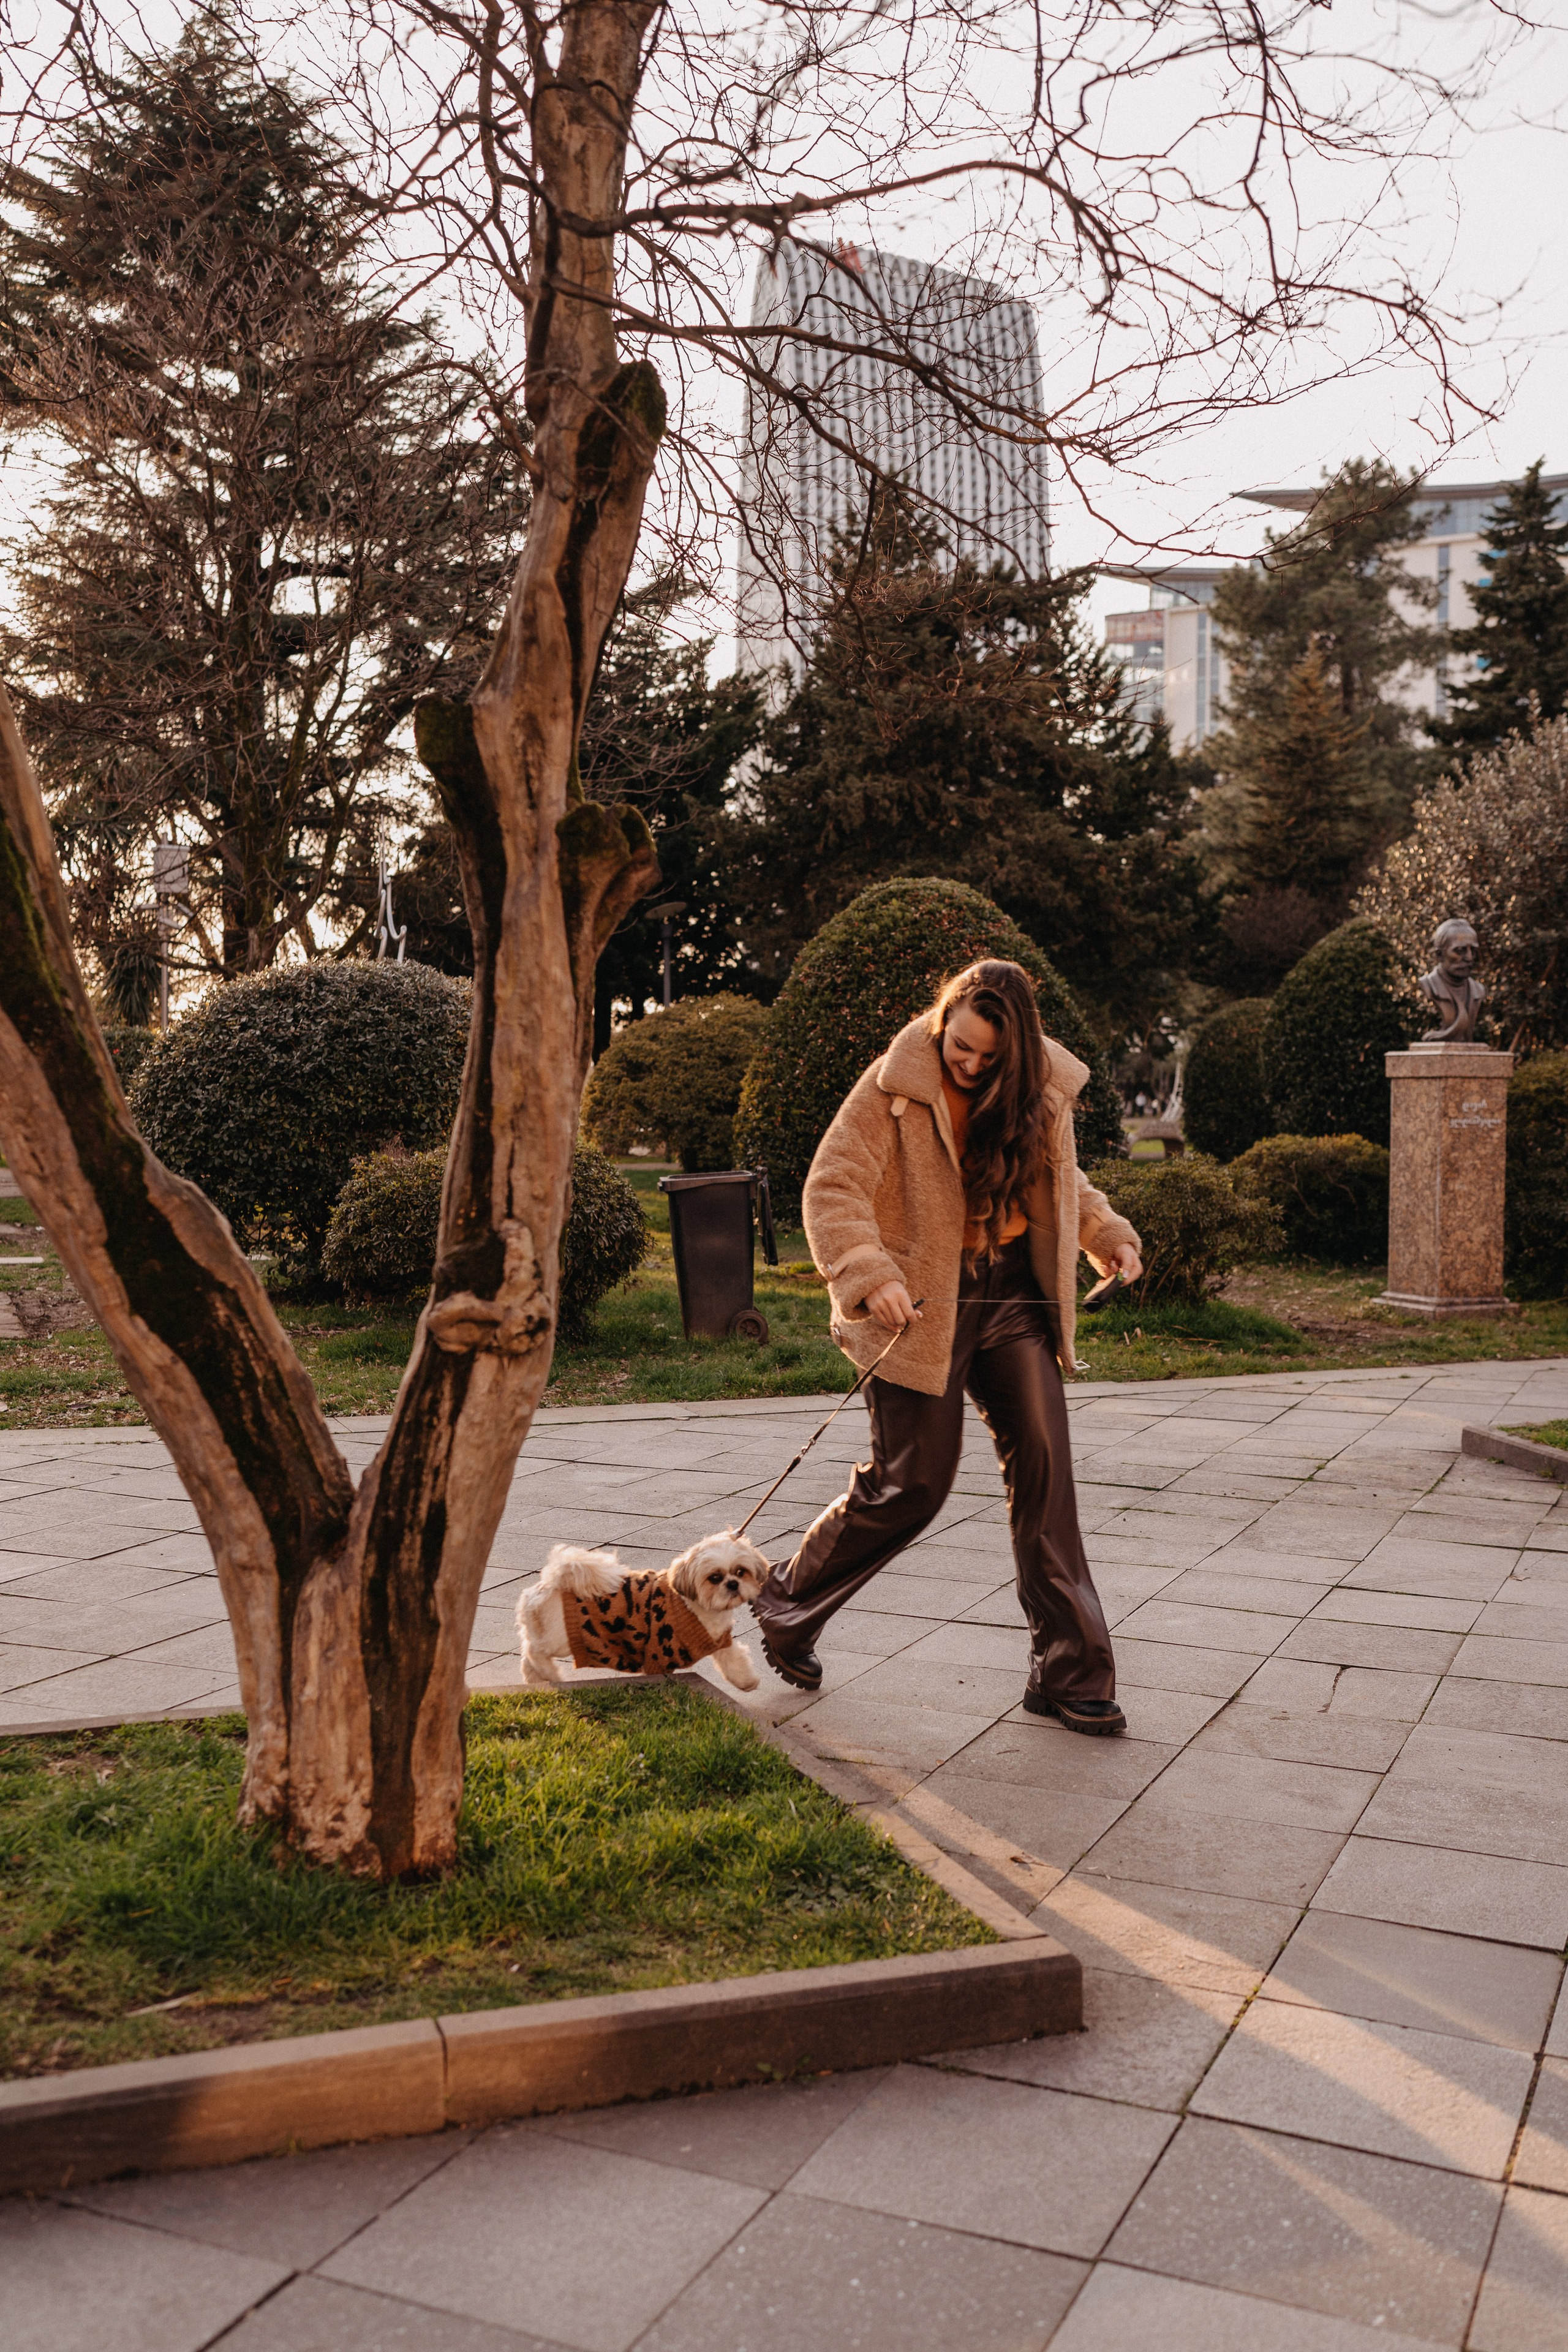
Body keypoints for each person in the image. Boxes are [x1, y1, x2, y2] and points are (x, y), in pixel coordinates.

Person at [752, 959, 1144, 1735]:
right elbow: (832, 1185)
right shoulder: (896, 1082)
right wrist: (868, 1273)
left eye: (984, 1057)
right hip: (919, 1301)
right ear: (943, 1021)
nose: (965, 1063)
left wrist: (1106, 1235)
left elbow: (1065, 1181)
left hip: (1009, 1300)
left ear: (1018, 1053)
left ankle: (1070, 1673)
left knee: (1045, 1472)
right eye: (957, 1044)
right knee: (912, 1484)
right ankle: (786, 1601)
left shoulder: (1044, 1093)